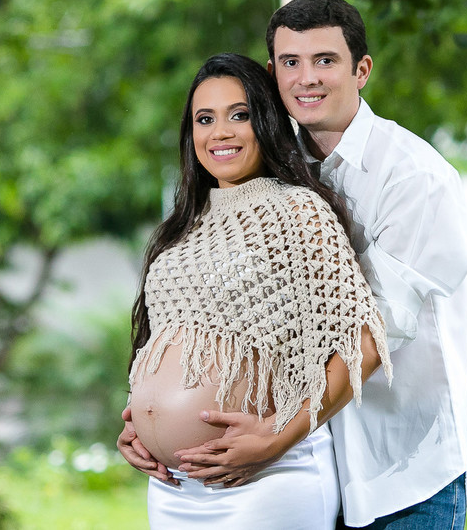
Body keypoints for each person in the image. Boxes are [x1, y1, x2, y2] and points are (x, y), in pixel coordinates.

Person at [174, 0, 467, 529]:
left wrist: (275, 436)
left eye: (325, 60)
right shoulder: (268, 170)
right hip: (309, 467)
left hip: (403, 469)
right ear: (271, 73)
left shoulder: (415, 178)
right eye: (290, 62)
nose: (306, 78)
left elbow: (375, 331)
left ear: (361, 71)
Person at [120, 53, 391, 529]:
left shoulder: (298, 211)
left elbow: (362, 345)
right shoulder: (180, 230)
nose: (219, 132)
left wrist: (275, 438)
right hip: (173, 489)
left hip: (267, 480)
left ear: (265, 122)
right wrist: (139, 422)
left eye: (238, 115)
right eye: (205, 119)